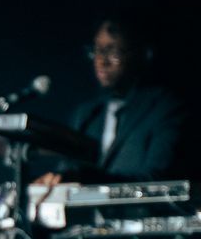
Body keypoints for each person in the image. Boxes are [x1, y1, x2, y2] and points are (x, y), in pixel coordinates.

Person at [45, 14, 184, 184]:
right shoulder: (86, 114)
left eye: (113, 51)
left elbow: (158, 179)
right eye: (97, 50)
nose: (101, 61)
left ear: (143, 54)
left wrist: (85, 178)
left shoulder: (164, 108)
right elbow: (67, 169)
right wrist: (53, 180)